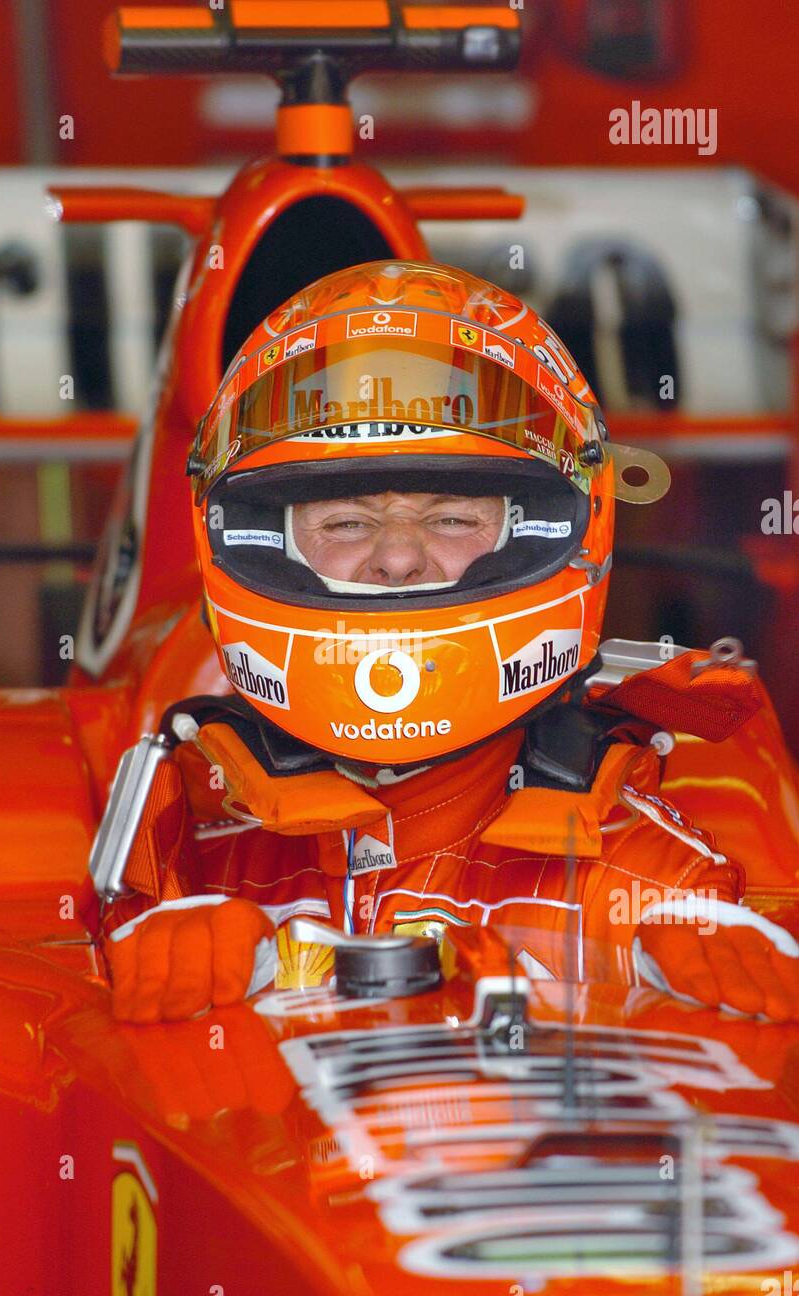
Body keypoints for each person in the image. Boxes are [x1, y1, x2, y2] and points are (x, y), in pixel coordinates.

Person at [95, 261, 799, 1024]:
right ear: (268, 545)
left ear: (548, 530)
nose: (397, 556)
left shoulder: (645, 872)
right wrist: (134, 945)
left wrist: (663, 958)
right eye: (345, 521)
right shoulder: (188, 832)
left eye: (452, 518)